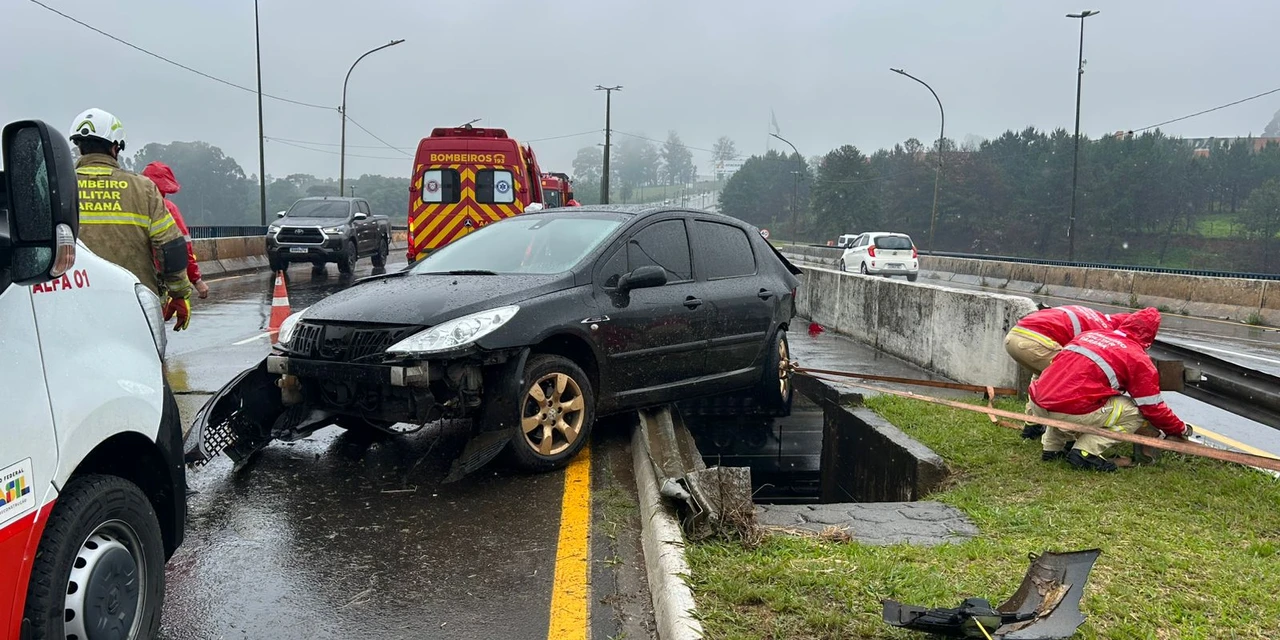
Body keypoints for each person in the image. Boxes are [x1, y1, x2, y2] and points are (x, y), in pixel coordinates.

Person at [70, 108, 193, 329]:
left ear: (79, 147)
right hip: (136, 302)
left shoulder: (57, 187)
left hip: (74, 303)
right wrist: (178, 294)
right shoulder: (143, 187)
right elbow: (170, 247)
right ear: (115, 148)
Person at [1028, 307, 1194, 472]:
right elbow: (1152, 407)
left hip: (1037, 402)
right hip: (1068, 409)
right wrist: (1179, 428)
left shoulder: (1089, 335)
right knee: (1135, 413)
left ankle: (1052, 450)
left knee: (1063, 397)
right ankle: (1085, 452)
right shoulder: (1137, 358)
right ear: (1150, 335)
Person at [1005, 304, 1128, 439]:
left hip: (1014, 337)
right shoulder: (1104, 332)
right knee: (1068, 384)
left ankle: (1032, 426)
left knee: (1042, 378)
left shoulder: (1093, 316)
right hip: (1037, 343)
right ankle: (1065, 438)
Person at [142, 162, 209, 299]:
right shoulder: (167, 208)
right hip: (159, 279)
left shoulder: (130, 205)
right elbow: (182, 248)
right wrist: (196, 280)